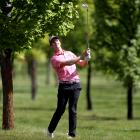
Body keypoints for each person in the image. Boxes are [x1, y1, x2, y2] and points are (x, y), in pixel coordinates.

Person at [47, 36, 91, 139]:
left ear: (60, 42)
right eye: (53, 42)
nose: (56, 42)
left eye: (57, 40)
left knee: (73, 109)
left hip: (75, 84)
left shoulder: (69, 53)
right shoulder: (54, 59)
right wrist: (82, 55)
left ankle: (72, 134)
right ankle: (50, 130)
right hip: (64, 86)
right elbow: (69, 62)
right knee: (60, 110)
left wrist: (87, 58)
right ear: (52, 46)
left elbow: (82, 64)